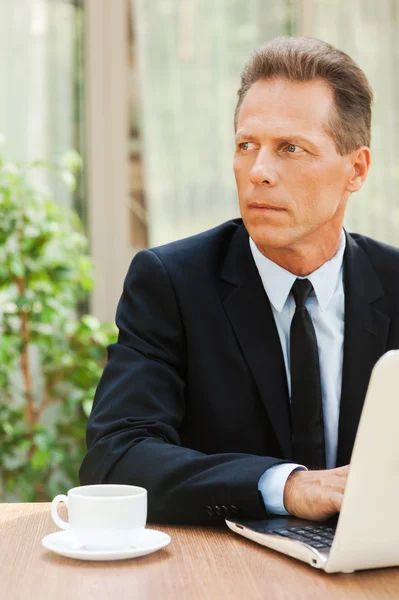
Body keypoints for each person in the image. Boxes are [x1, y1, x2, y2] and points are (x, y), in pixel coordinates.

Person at [79, 36, 399, 525]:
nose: (259, 172)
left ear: (356, 169)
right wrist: (286, 486)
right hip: (219, 572)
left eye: (290, 148)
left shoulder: (394, 283)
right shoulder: (171, 284)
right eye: (246, 146)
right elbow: (115, 458)